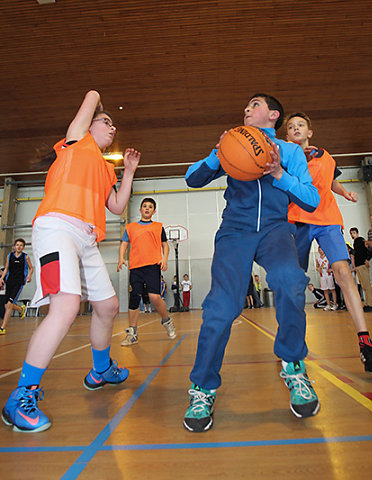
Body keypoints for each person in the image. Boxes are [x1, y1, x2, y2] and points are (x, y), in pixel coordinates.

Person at [1, 90, 140, 433]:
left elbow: (118, 206)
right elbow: (92, 96)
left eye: (113, 124)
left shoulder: (106, 168)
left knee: (107, 306)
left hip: (86, 237)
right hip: (57, 226)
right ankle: (21, 395)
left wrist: (130, 171)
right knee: (66, 305)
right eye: (106, 122)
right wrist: (99, 104)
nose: (112, 127)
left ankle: (100, 369)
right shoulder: (75, 142)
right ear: (88, 125)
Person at [183, 93, 321, 433]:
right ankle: (202, 388)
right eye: (245, 106)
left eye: (254, 105)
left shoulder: (289, 152)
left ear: (273, 115)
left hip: (275, 230)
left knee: (291, 281)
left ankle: (293, 366)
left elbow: (312, 199)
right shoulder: (231, 144)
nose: (247, 109)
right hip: (235, 231)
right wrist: (218, 154)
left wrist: (278, 174)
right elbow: (192, 178)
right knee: (220, 309)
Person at [286, 112, 372, 374]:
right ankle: (292, 343)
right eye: (291, 126)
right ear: (287, 135)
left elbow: (330, 181)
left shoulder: (326, 157)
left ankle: (365, 342)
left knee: (343, 272)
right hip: (297, 221)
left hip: (327, 219)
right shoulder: (284, 157)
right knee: (293, 281)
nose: (296, 128)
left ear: (310, 132)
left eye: (301, 125)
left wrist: (346, 192)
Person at [118, 198, 176, 346]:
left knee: (154, 296)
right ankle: (132, 333)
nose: (147, 209)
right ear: (140, 209)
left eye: (150, 207)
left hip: (152, 265)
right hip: (136, 267)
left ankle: (167, 321)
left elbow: (165, 245)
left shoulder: (158, 227)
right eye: (144, 206)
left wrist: (165, 259)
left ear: (154, 211)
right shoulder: (130, 227)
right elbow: (124, 243)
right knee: (134, 297)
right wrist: (120, 258)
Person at [0, 240, 32, 334]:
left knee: (9, 304)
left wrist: (29, 275)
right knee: (6, 305)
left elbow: (31, 268)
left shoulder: (26, 257)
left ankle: (2, 328)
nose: (19, 247)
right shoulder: (9, 256)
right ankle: (21, 309)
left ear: (23, 247)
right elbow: (6, 268)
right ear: (14, 246)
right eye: (17, 245)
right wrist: (1, 278)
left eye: (21, 245)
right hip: (9, 282)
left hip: (18, 283)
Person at [315, 247, 337, 311]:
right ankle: (328, 304)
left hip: (329, 275)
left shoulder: (328, 257)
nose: (320, 251)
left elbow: (334, 265)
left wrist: (331, 270)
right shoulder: (318, 259)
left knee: (332, 289)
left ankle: (335, 304)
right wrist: (318, 269)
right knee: (325, 291)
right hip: (322, 276)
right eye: (319, 250)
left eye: (321, 249)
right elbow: (317, 267)